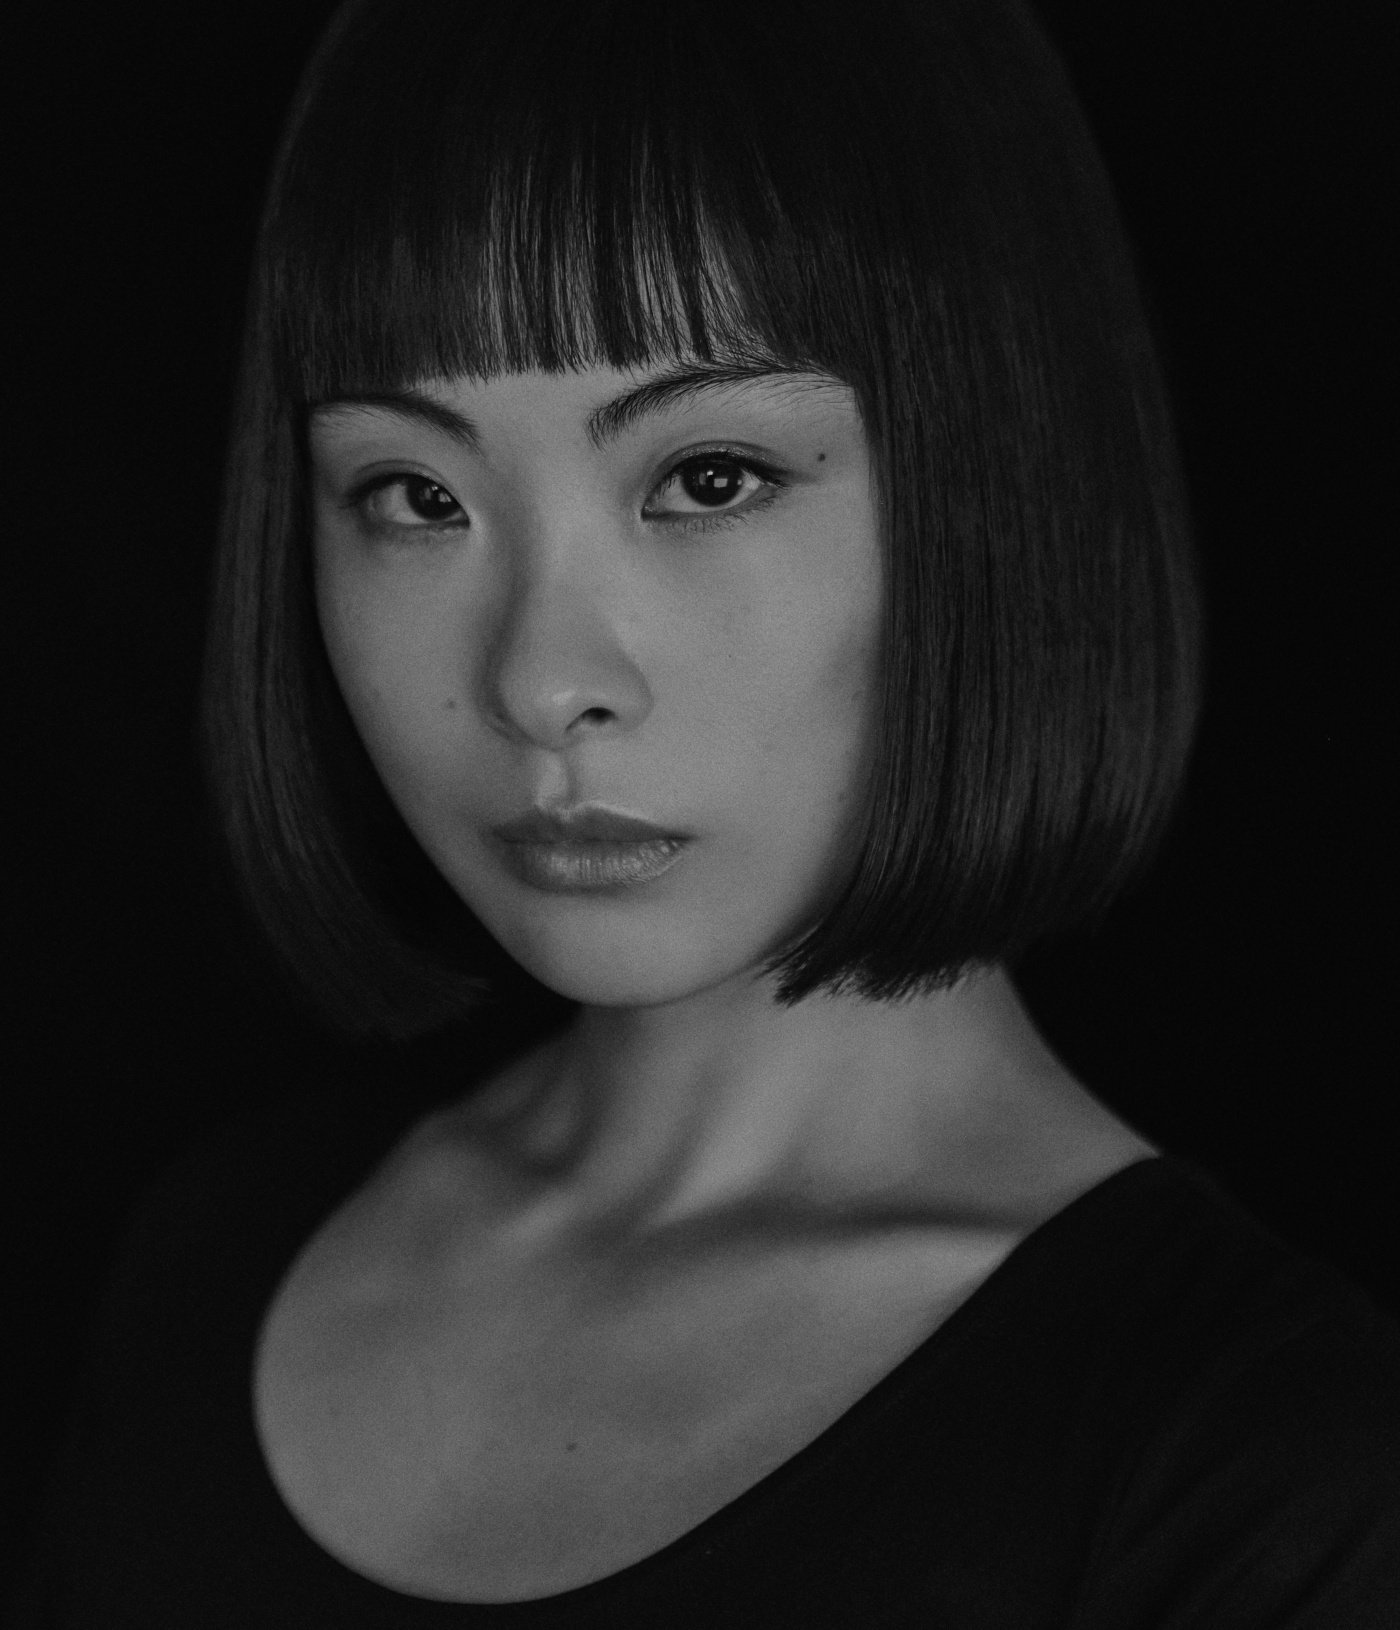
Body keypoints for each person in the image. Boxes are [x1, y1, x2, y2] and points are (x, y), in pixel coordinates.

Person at [15, 0, 1398, 1623]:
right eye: (417, 494)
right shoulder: (212, 1248)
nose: (542, 680)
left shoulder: (1260, 1465)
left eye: (710, 476)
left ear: (999, 480)